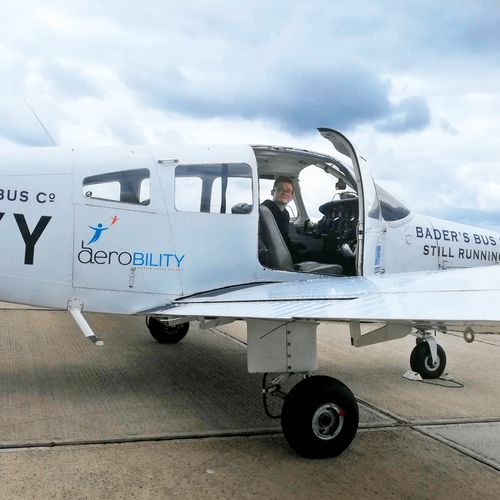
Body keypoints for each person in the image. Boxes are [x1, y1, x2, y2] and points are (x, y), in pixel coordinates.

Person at [261, 176, 301, 261]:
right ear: (272, 192)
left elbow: (284, 238)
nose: (284, 193)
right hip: (276, 256)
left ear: (291, 197)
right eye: (279, 189)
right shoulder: (266, 210)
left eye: (288, 191)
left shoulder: (285, 213)